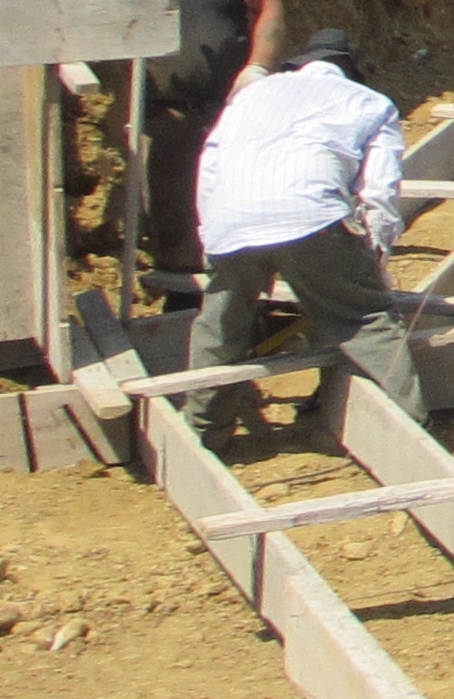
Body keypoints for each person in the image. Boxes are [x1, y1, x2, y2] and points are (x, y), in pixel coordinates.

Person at [173, 28, 423, 447]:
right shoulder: (370, 103)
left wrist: (213, 236)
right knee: (366, 321)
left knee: (220, 330)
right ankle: (410, 435)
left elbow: (210, 167)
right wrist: (375, 255)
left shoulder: (251, 95)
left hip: (230, 220)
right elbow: (379, 192)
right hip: (312, 216)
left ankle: (202, 434)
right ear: (350, 70)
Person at [110, 0, 288, 279]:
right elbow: (113, 24)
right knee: (174, 219)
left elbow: (269, 7)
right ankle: (181, 294)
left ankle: (246, 293)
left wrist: (256, 70)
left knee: (241, 210)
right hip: (166, 116)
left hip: (228, 110)